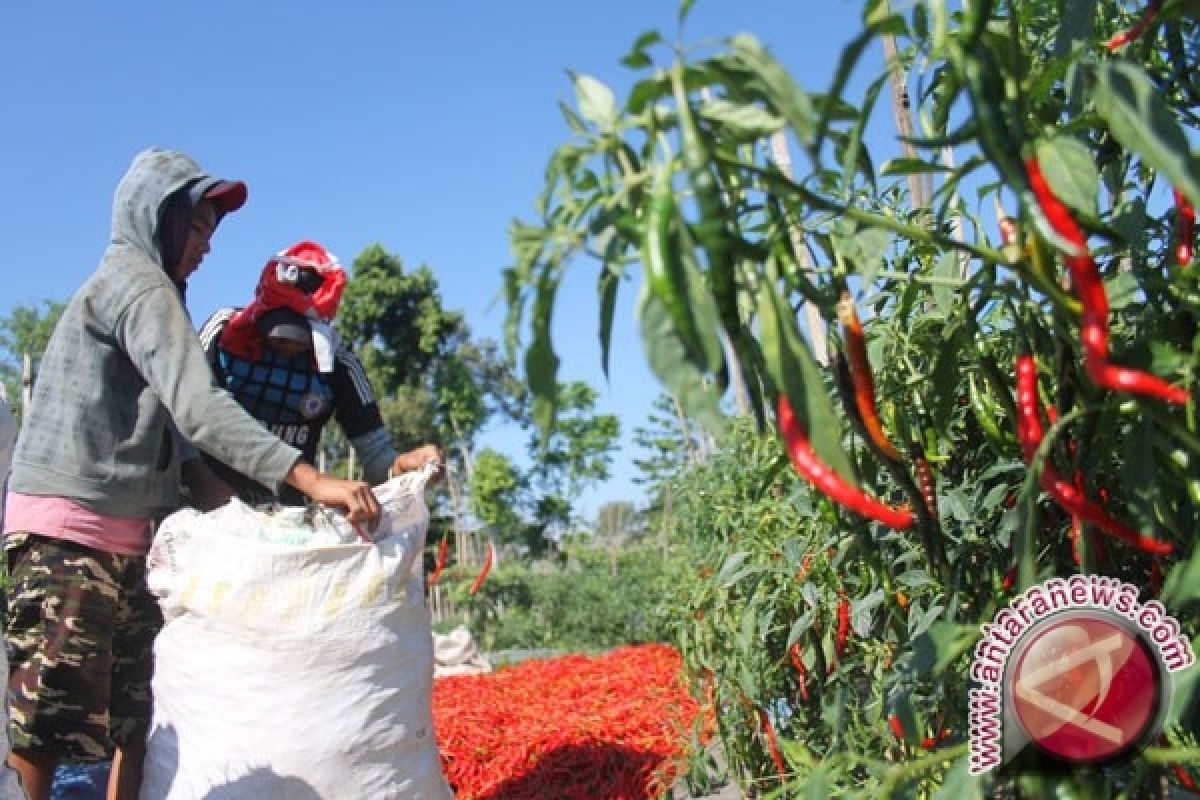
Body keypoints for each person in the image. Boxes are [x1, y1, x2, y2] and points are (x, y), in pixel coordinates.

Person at [2, 148, 382, 800]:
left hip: (127, 536)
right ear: (157, 217)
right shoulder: (136, 284)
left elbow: (177, 440)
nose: (207, 245)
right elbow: (202, 409)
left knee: (134, 713)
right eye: (199, 227)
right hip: (70, 532)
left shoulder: (160, 299)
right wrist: (310, 479)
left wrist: (246, 523)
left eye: (214, 231)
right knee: (50, 716)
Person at [196, 240, 441, 507]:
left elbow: (378, 462)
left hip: (285, 519)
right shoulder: (223, 334)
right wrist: (200, 484)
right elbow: (181, 409)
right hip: (204, 505)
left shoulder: (338, 363)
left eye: (300, 339)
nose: (288, 346)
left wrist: (406, 467)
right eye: (278, 336)